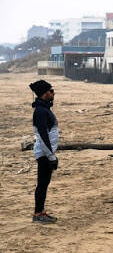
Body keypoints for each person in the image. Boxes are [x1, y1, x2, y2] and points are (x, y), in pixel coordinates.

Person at [29, 80, 59, 224]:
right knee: (42, 184)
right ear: (45, 93)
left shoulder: (44, 109)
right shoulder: (41, 111)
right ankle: (38, 214)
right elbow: (42, 135)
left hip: (46, 153)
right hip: (44, 154)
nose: (53, 93)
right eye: (51, 91)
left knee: (44, 183)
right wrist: (51, 156)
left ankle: (40, 212)